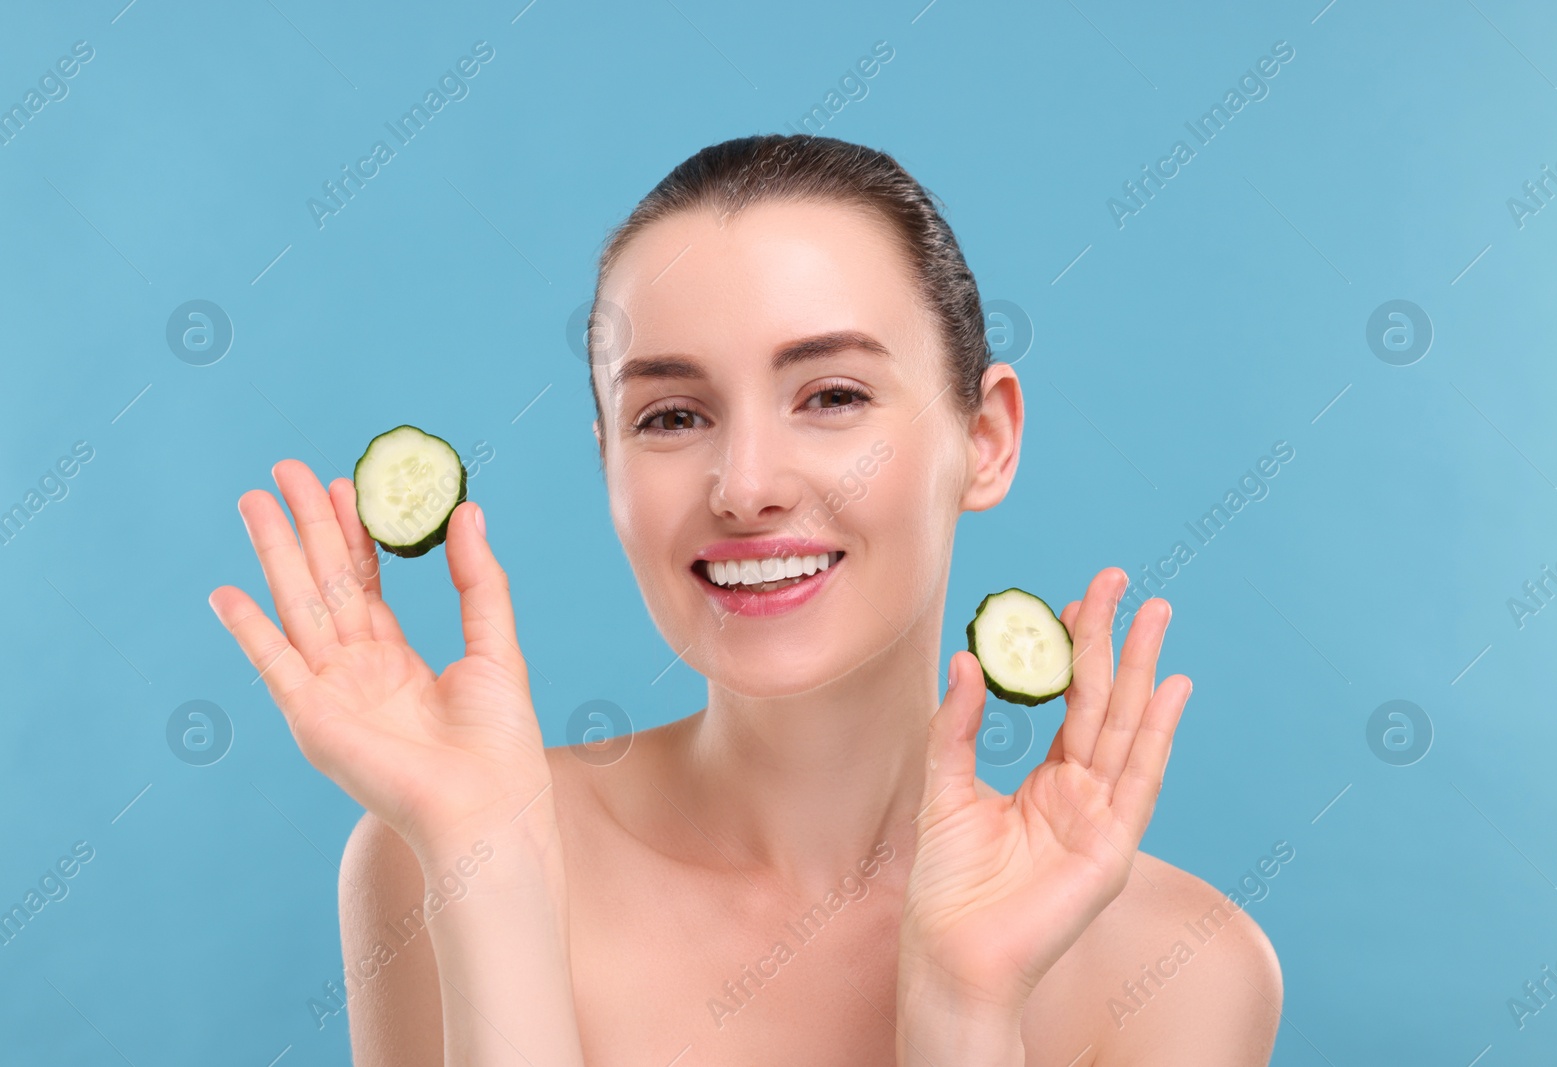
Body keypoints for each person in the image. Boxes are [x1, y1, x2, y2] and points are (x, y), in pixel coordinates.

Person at [209, 134, 1281, 1066]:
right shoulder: (430, 845)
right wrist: (485, 868)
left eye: (832, 395)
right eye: (671, 416)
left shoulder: (1181, 964)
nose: (745, 484)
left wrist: (965, 1005)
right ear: (610, 467)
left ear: (985, 437)